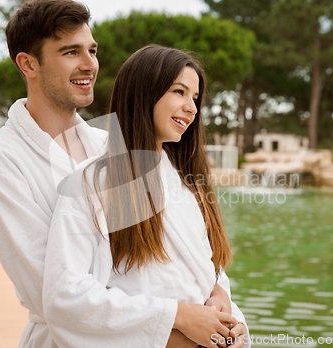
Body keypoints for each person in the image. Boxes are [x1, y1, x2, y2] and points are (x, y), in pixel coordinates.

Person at [0, 0, 240, 347]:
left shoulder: (113, 147)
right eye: (70, 52)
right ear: (28, 64)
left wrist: (215, 291)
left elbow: (165, 258)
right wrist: (184, 322)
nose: (90, 65)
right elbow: (55, 296)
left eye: (92, 51)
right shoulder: (0, 165)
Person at [43, 45, 250, 348]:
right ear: (144, 93)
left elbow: (204, 269)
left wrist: (223, 301)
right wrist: (177, 317)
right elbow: (65, 297)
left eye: (195, 98)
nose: (192, 108)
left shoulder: (189, 183)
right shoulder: (93, 183)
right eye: (179, 92)